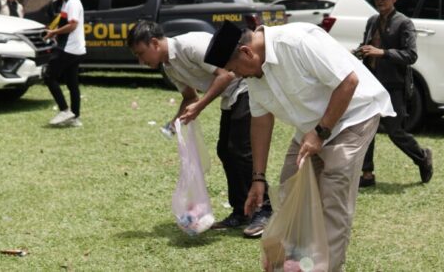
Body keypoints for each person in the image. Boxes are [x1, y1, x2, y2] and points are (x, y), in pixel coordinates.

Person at [204, 20, 395, 271]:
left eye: (234, 69)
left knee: (332, 199)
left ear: (247, 52)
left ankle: (326, 267)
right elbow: (261, 120)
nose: (236, 76)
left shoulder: (296, 43)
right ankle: (296, 264)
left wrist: (320, 132)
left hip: (353, 116)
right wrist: (258, 178)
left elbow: (348, 82)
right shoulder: (254, 70)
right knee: (289, 191)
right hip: (311, 127)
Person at [126, 21, 272, 238]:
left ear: (154, 43)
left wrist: (200, 107)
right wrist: (175, 121)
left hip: (245, 86)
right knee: (225, 150)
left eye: (141, 53)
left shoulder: (191, 46)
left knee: (239, 150)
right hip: (229, 97)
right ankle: (242, 210)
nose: (141, 61)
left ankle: (264, 210)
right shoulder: (169, 67)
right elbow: (189, 97)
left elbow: (227, 75)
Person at [355, 0, 433, 188]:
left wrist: (382, 53)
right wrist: (360, 51)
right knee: (367, 128)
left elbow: (411, 55)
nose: (380, 1)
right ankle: (367, 173)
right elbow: (367, 45)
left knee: (395, 131)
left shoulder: (404, 22)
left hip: (394, 85)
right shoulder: (372, 21)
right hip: (372, 82)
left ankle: (422, 156)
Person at [43, 0, 86, 127]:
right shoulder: (66, 2)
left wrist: (54, 32)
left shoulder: (73, 2)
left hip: (68, 49)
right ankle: (75, 118)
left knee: (48, 76)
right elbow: (62, 22)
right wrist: (52, 32)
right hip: (76, 49)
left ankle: (64, 110)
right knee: (72, 83)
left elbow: (72, 25)